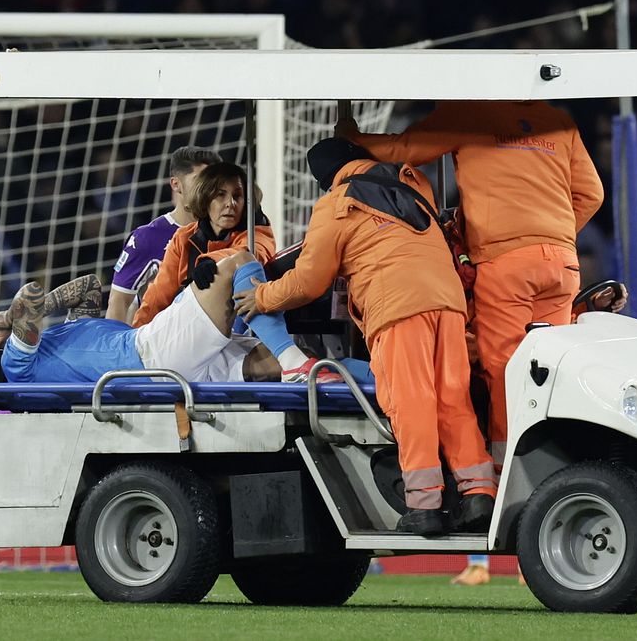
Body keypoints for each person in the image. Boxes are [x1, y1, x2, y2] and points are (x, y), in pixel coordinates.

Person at [339, 101, 607, 582]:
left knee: (505, 376)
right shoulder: (559, 120)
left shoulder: (471, 112)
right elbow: (592, 193)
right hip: (562, 263)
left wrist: (352, 139)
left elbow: (406, 148)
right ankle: (556, 485)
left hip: (505, 263)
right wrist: (551, 234)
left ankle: (509, 497)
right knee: (548, 379)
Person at [234, 138, 497, 536]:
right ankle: (478, 492)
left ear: (325, 179)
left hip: (398, 306)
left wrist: (262, 297)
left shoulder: (337, 203)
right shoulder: (412, 187)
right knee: (452, 397)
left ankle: (424, 505)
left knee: (411, 401)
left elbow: (308, 282)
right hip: (448, 303)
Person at [133, 161, 332, 382]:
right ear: (205, 198)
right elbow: (159, 295)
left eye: (238, 196)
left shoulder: (258, 233)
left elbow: (248, 254)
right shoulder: (183, 239)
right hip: (185, 338)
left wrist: (210, 261)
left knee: (316, 362)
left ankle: (352, 374)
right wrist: (135, 340)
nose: (230, 203)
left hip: (238, 335)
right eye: (220, 195)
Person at [0, 256, 286, 384]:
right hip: (151, 354)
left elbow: (89, 285)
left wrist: (17, 317)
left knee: (277, 364)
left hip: (165, 363)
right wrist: (8, 318)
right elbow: (30, 295)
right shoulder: (15, 364)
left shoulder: (58, 336)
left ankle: (301, 362)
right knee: (236, 264)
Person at [106, 146, 222, 323]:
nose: (208, 188)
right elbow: (119, 302)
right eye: (199, 180)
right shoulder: (148, 238)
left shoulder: (228, 233)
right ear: (176, 184)